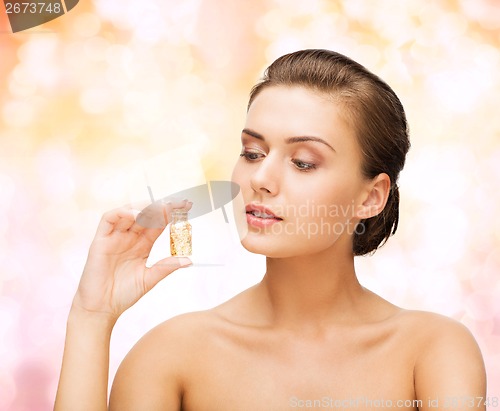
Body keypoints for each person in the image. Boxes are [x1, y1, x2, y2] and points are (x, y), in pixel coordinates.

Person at [54, 49, 486, 411]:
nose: (261, 179)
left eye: (303, 162)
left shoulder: (431, 349)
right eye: (253, 152)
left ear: (371, 197)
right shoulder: (172, 354)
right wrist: (91, 317)